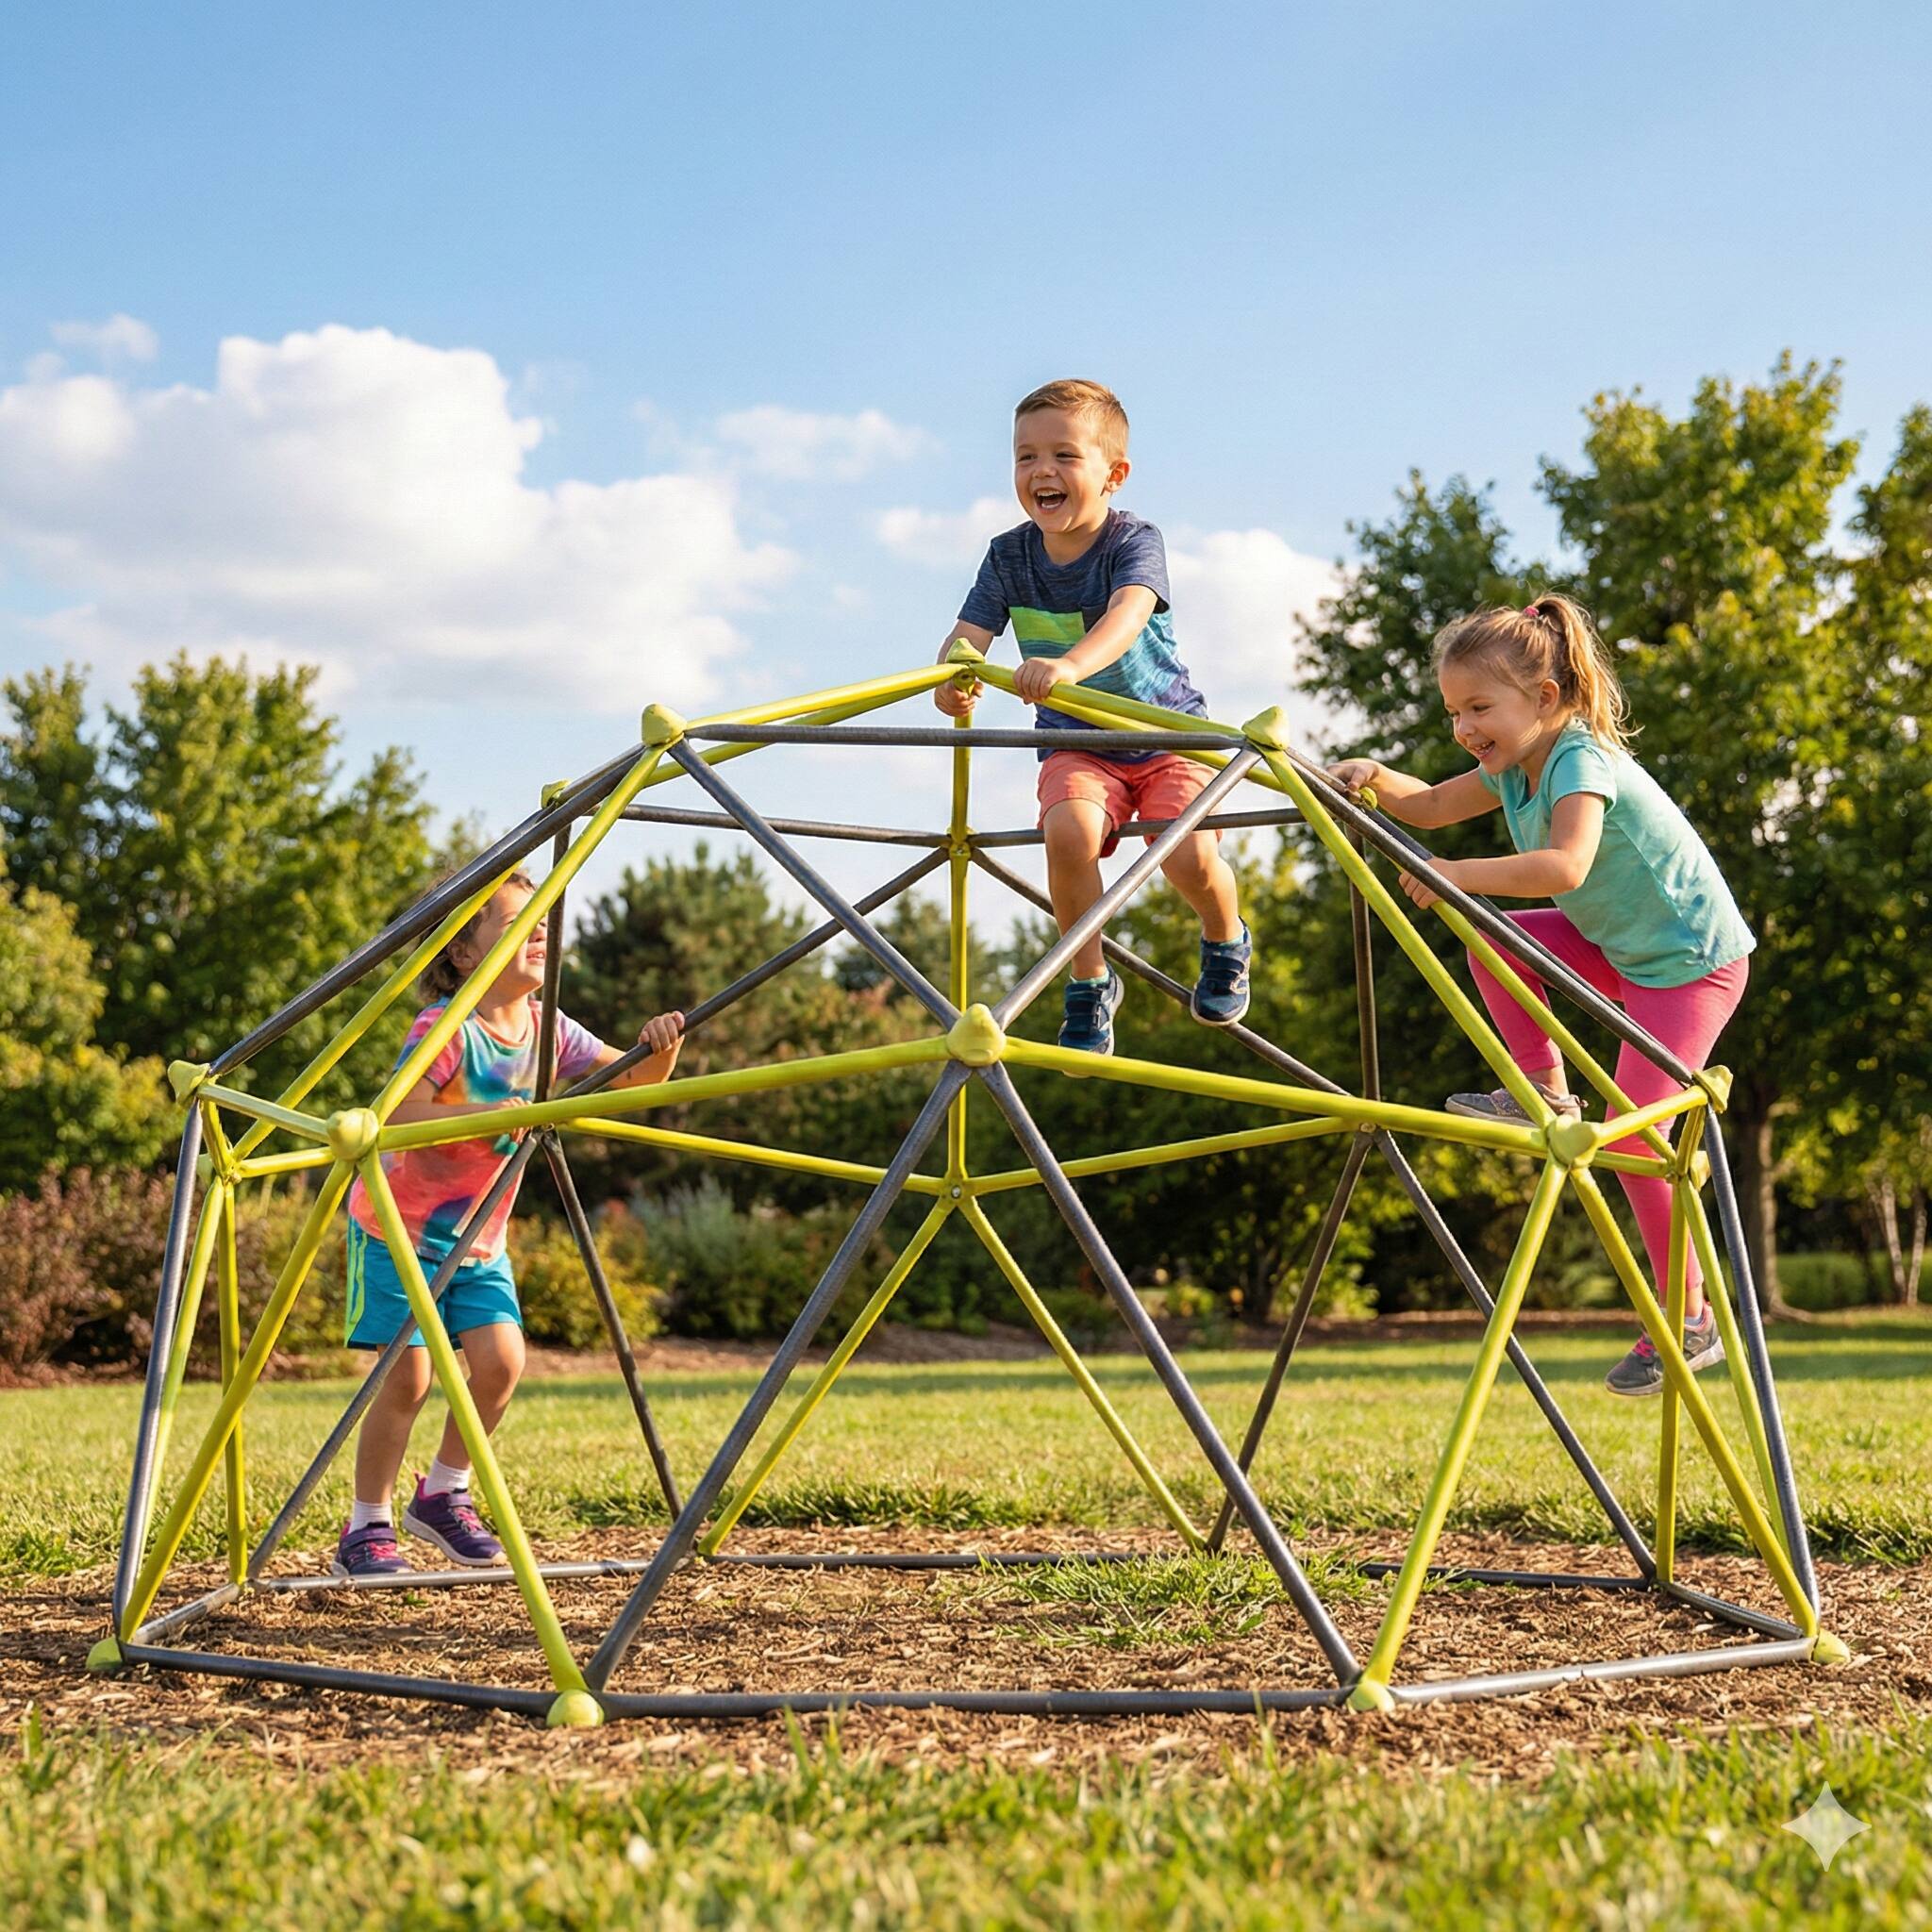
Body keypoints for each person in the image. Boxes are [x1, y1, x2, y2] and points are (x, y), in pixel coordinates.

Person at [1329, 593, 1754, 1397]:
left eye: (1480, 707)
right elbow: (1429, 806)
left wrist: (1453, 878)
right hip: (1619, 947)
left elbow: (1565, 868)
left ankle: (1690, 1319)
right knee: (1493, 940)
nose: (1464, 727)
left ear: (1547, 699)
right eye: (1455, 711)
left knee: (1634, 1140)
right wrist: (1375, 777)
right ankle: (1545, 1096)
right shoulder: (1512, 767)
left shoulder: (1577, 758)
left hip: (1690, 963)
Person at [333, 870, 684, 1576]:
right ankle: (365, 1528)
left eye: (543, 924)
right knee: (408, 1380)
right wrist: (487, 1115)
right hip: (400, 1232)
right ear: (464, 953)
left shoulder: (550, 1029)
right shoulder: (449, 1028)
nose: (540, 935)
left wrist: (662, 1048)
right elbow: (398, 1117)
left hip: (480, 1242)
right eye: (518, 924)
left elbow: (636, 1086)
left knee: (501, 1365)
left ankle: (443, 1493)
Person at [935, 377, 1251, 1058]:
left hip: (1166, 734)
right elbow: (966, 640)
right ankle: (1089, 981)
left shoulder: (1133, 540)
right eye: (1025, 457)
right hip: (1078, 744)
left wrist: (1068, 668)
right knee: (1068, 834)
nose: (1042, 471)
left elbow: (1128, 612)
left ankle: (1225, 936)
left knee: (1186, 854)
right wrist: (955, 680)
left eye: (1064, 456)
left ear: (1114, 474)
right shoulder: (1008, 555)